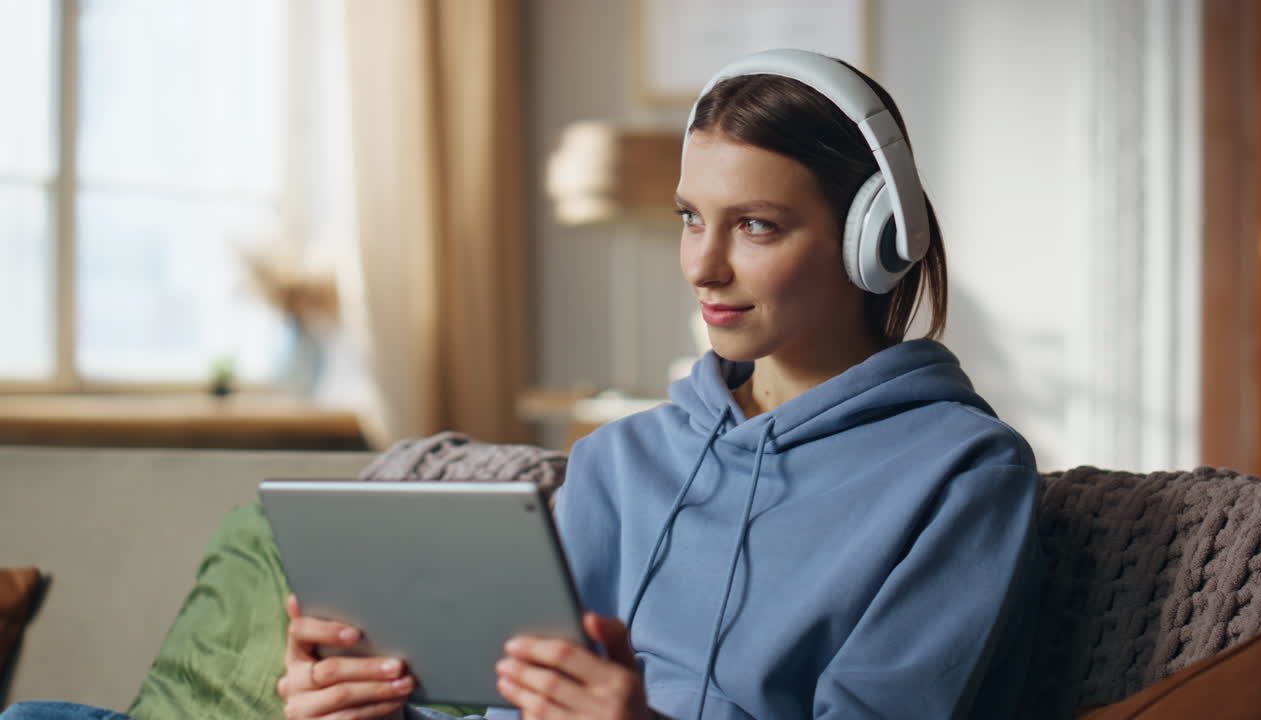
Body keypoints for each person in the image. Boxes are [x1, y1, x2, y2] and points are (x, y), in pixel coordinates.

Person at [1, 49, 1043, 720]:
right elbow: (502, 700)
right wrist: (363, 703)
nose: (699, 265)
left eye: (755, 226)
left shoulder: (959, 474)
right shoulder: (625, 460)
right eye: (689, 217)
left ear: (873, 244)